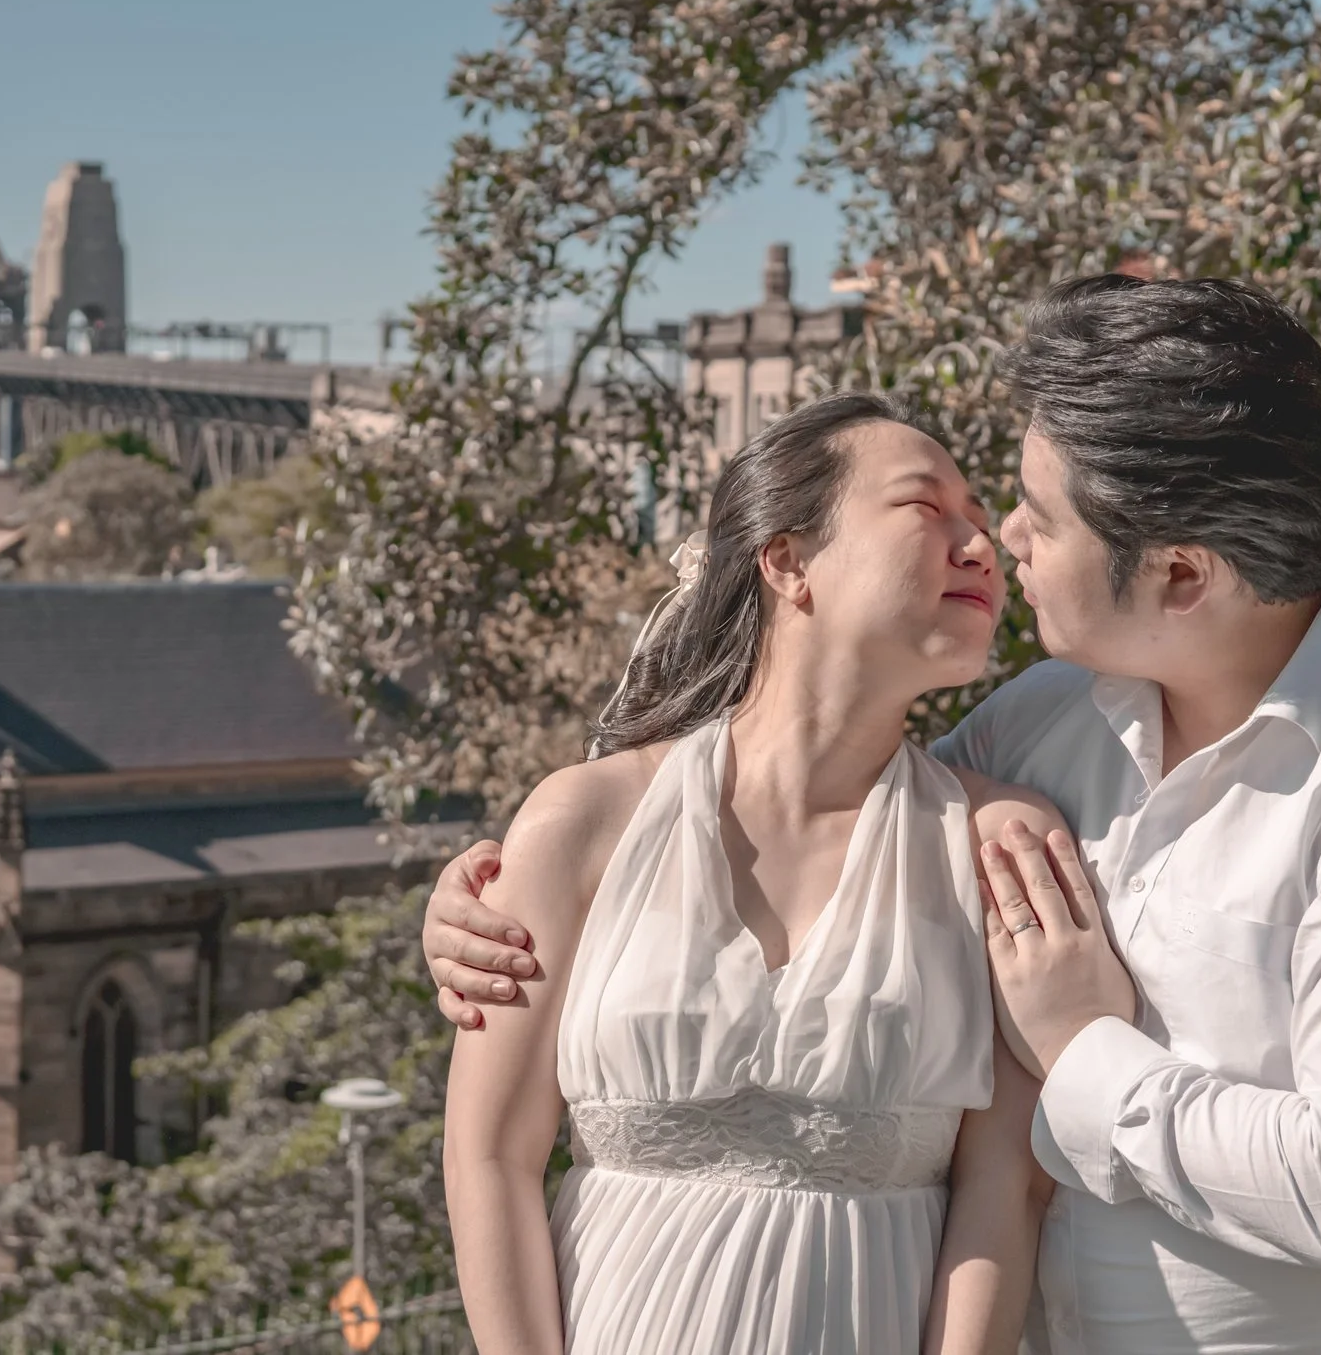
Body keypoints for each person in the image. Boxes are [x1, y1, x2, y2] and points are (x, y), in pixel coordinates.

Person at [428, 276, 1321, 1355]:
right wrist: (487, 912)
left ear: (1181, 576)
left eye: (1036, 515)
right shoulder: (1040, 728)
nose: (1003, 541)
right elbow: (834, 838)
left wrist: (1079, 1047)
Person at [442, 393, 1092, 1355]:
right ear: (786, 558)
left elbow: (1005, 1187)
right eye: (927, 506)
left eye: (979, 515)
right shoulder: (581, 823)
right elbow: (490, 1156)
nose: (982, 544)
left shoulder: (997, 843)